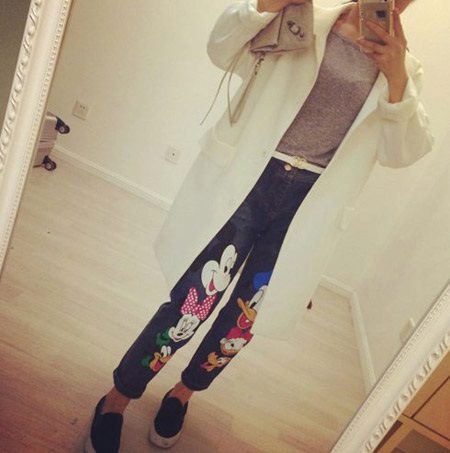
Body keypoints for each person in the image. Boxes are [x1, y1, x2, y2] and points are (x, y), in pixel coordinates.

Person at [84, 0, 433, 451]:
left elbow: (402, 153)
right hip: (251, 181)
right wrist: (262, 7)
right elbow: (220, 49)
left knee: (243, 320)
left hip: (309, 205)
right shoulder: (303, 16)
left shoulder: (404, 67)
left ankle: (183, 393)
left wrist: (397, 77)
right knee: (192, 303)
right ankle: (119, 397)